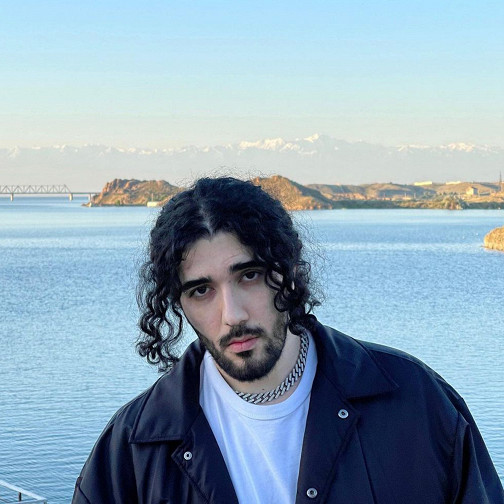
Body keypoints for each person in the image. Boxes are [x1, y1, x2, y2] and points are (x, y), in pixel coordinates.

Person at [73, 176, 503, 504]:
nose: (233, 314)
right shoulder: (131, 451)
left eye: (249, 275)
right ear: (178, 303)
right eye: (201, 290)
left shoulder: (417, 403)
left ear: (289, 270)